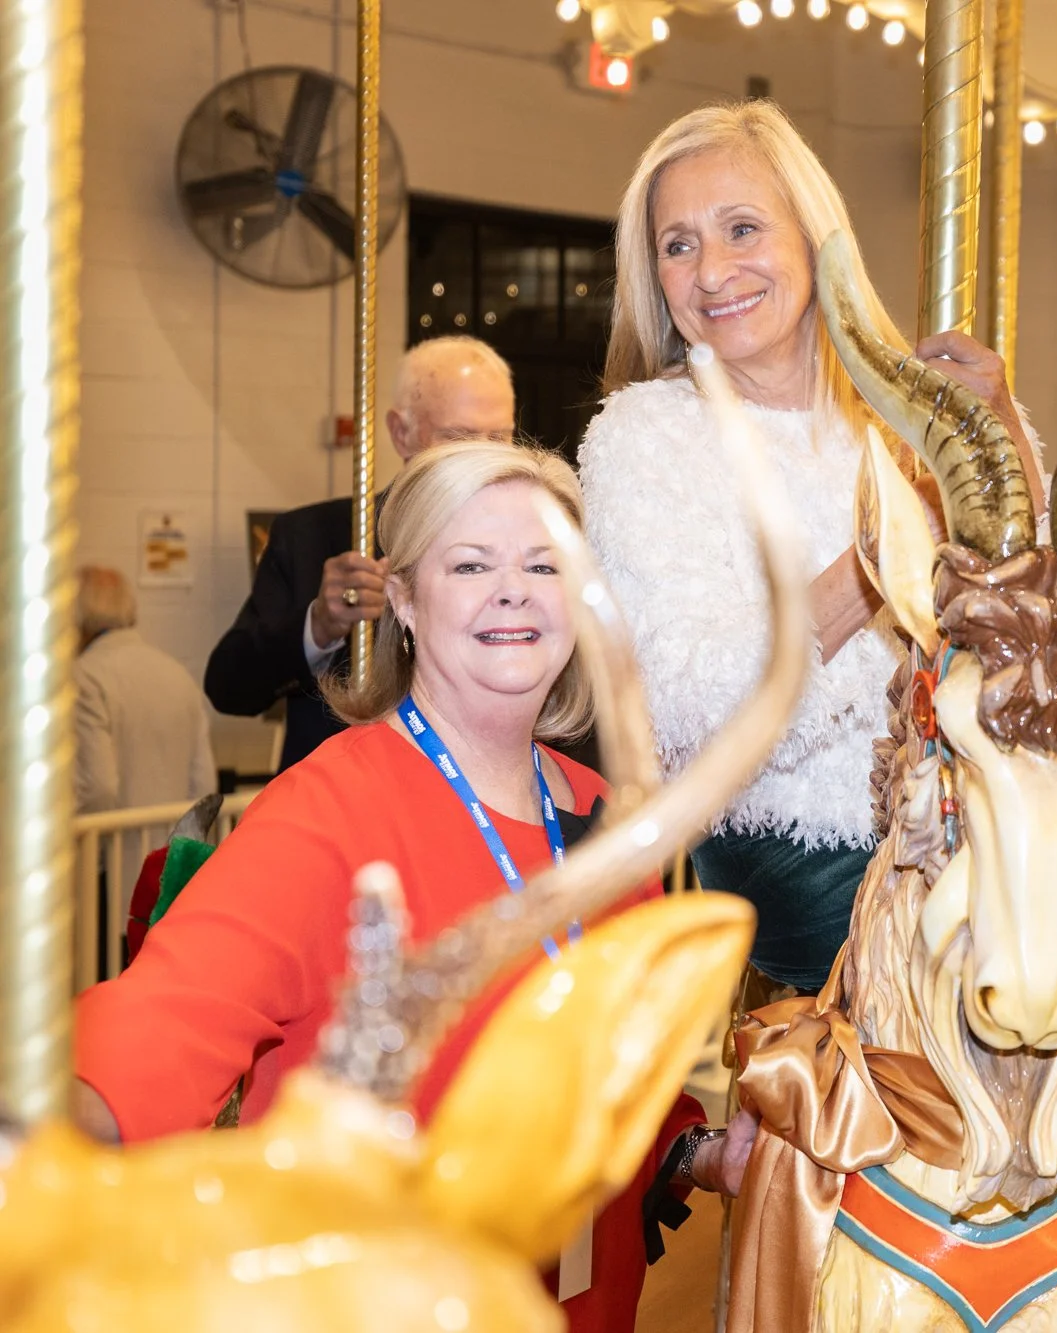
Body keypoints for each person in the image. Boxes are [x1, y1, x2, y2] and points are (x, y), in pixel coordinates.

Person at [579, 99, 1057, 1329]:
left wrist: (999, 428)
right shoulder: (650, 440)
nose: (712, 269)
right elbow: (694, 706)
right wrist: (875, 563)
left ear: (815, 236)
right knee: (1044, 960)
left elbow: (1032, 610)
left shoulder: (915, 418)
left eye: (741, 227)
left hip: (973, 821)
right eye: (677, 245)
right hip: (796, 849)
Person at [71, 440, 702, 1333]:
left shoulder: (606, 818)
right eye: (471, 563)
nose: (513, 588)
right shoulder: (328, 811)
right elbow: (164, 1023)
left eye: (544, 563)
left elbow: (635, 1075)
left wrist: (703, 1150)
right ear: (402, 598)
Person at [204, 335, 516, 771]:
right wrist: (320, 626)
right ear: (401, 432)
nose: (481, 457)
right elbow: (229, 687)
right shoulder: (316, 536)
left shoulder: (533, 546)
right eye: (458, 436)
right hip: (341, 802)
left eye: (499, 438)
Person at [73, 565, 216, 816]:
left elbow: (98, 789)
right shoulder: (178, 674)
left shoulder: (84, 677)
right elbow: (204, 785)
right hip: (169, 850)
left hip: (110, 849)